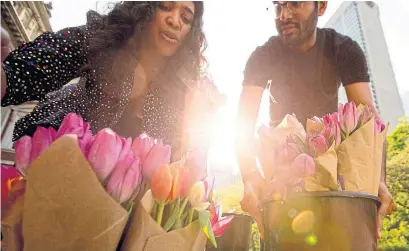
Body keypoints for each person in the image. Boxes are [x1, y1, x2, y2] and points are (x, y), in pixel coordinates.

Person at [235, 1, 397, 239]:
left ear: (320, 6)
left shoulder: (343, 49)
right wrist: (251, 177)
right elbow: (243, 126)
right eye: (278, 6)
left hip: (331, 172)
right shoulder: (262, 56)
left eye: (295, 4)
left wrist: (377, 180)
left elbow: (370, 122)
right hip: (281, 176)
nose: (284, 15)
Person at [1, 1, 207, 158]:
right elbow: (42, 62)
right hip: (55, 165)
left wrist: (192, 122)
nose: (175, 21)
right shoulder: (104, 38)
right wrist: (6, 75)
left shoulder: (179, 93)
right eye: (165, 7)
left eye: (186, 18)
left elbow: (174, 163)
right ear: (146, 8)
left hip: (120, 205)